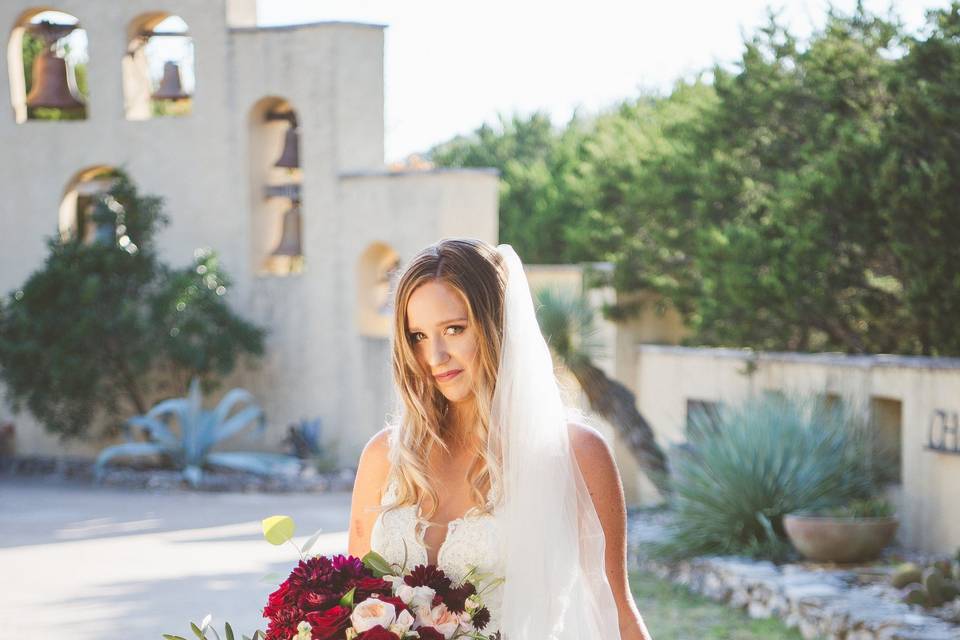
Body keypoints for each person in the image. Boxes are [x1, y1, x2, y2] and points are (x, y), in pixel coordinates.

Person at [348, 238, 653, 640]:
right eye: (418, 336)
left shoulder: (575, 453)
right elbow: (350, 603)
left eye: (454, 329)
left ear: (497, 326)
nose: (435, 355)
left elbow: (615, 612)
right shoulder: (385, 457)